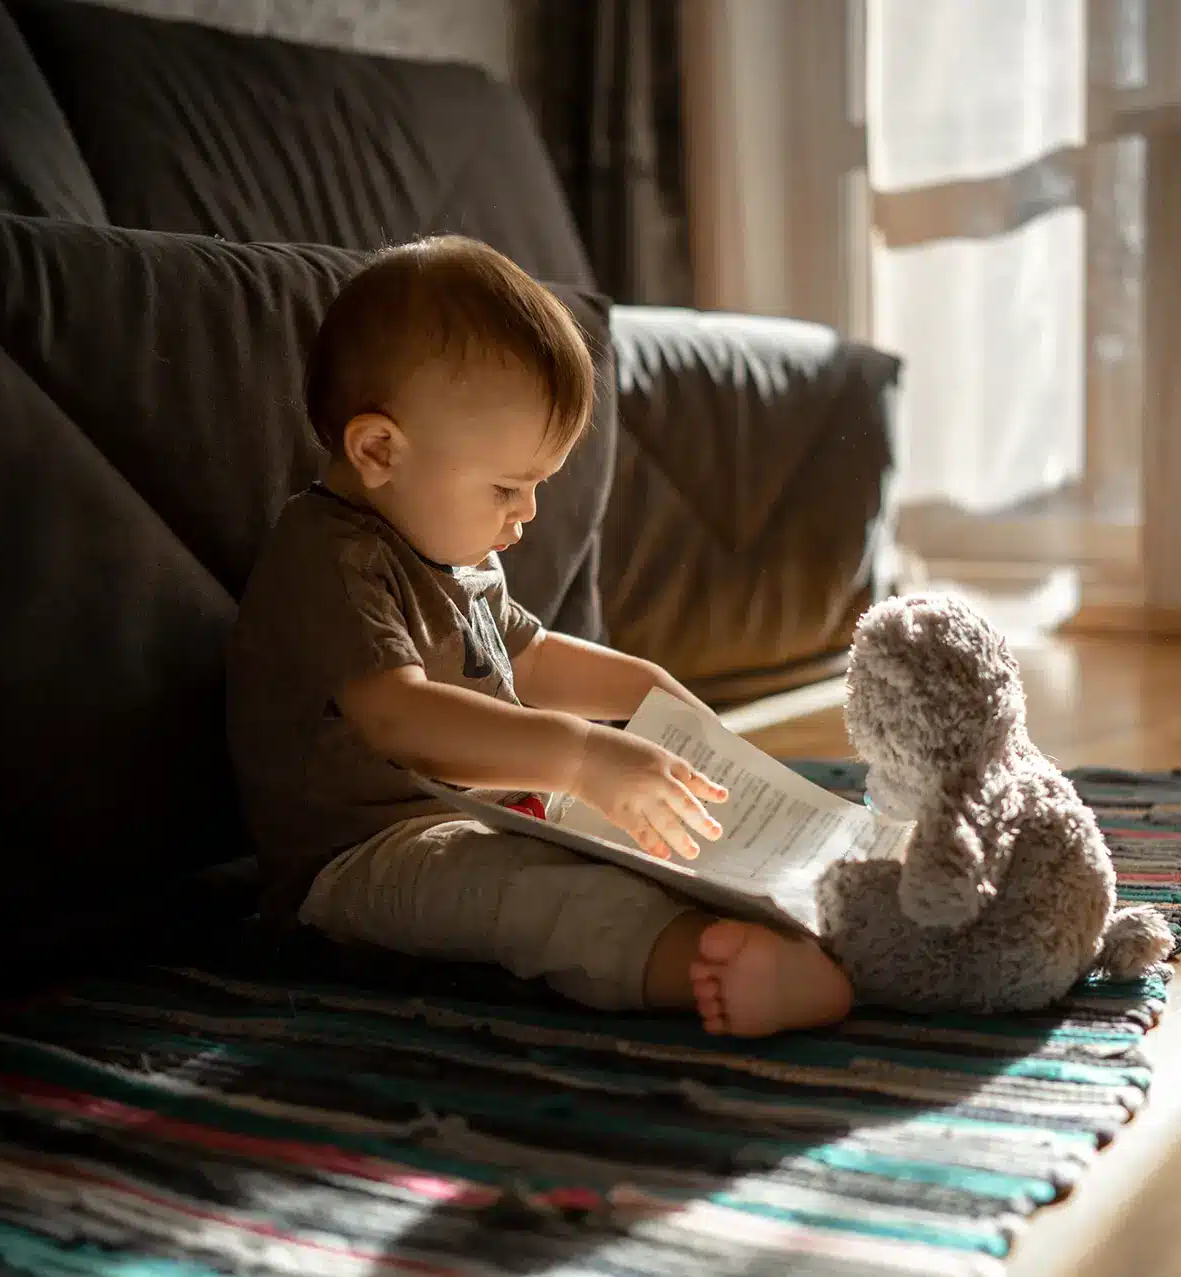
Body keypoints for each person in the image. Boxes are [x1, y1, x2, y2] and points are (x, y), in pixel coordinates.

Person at [227, 236, 853, 1036]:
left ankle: (797, 907)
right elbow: (402, 722)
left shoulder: (454, 548)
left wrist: (653, 695)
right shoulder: (330, 557)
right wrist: (585, 755)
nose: (525, 514)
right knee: (552, 897)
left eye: (536, 486)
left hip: (497, 811)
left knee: (648, 831)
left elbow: (529, 653)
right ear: (379, 449)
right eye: (507, 487)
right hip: (360, 860)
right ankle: (721, 969)